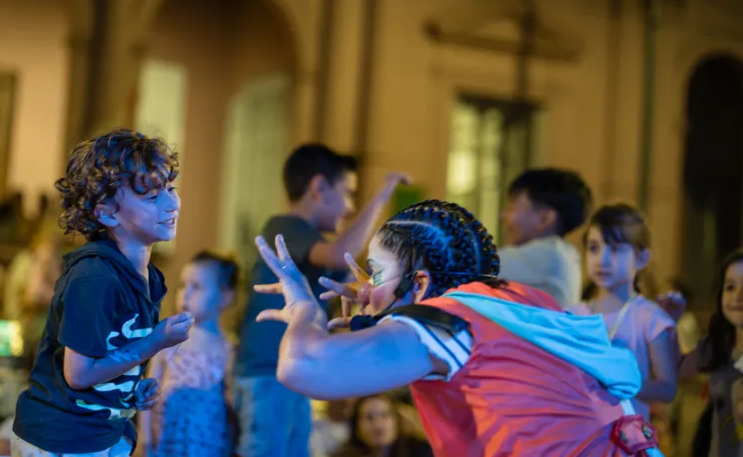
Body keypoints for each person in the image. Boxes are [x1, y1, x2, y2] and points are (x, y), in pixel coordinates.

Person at [253, 199, 663, 456]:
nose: (365, 288)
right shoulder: (519, 301)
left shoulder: (446, 321)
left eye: (375, 275)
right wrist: (379, 304)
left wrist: (305, 310)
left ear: (420, 284)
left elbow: (303, 365)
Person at [11, 129, 194, 457]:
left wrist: (131, 390)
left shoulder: (145, 277)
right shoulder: (95, 276)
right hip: (63, 438)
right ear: (107, 212)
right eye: (151, 196)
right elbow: (79, 373)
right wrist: (155, 341)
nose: (170, 204)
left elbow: (113, 354)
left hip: (101, 434)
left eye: (169, 188)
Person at [233, 143, 409, 457]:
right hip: (267, 374)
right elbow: (341, 255)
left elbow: (346, 274)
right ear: (318, 187)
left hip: (295, 373)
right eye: (348, 192)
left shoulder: (315, 249)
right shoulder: (285, 227)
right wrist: (382, 195)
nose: (349, 206)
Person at [567, 204, 679, 421]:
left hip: (626, 442)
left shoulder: (650, 318)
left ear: (642, 258)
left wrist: (620, 383)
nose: (602, 259)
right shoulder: (572, 316)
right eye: (593, 248)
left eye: (616, 249)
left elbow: (667, 389)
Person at [137, 251, 239, 457]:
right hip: (167, 445)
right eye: (183, 285)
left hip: (209, 448)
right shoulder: (167, 340)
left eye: (197, 287)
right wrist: (145, 441)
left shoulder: (229, 349)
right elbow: (148, 393)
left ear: (225, 297)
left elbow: (232, 404)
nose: (186, 293)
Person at [669, 249, 743, 457]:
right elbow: (679, 368)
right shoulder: (717, 344)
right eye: (730, 287)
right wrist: (670, 325)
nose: (737, 296)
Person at [498, 168, 592, 308]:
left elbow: (472, 264)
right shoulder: (562, 253)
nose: (503, 216)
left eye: (512, 207)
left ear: (545, 219)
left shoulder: (551, 254)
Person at [331, 394, 432, 457]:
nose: (378, 424)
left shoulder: (421, 451)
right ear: (356, 426)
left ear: (397, 420)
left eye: (384, 415)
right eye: (369, 417)